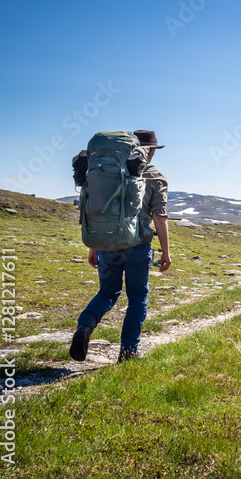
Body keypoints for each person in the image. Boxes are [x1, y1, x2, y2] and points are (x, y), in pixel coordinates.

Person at [70, 130, 171, 363]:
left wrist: (94, 246)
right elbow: (159, 217)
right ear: (151, 150)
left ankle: (85, 326)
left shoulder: (107, 171)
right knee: (137, 297)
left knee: (107, 291)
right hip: (138, 245)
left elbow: (96, 209)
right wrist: (166, 252)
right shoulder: (155, 177)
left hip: (107, 241)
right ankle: (128, 353)